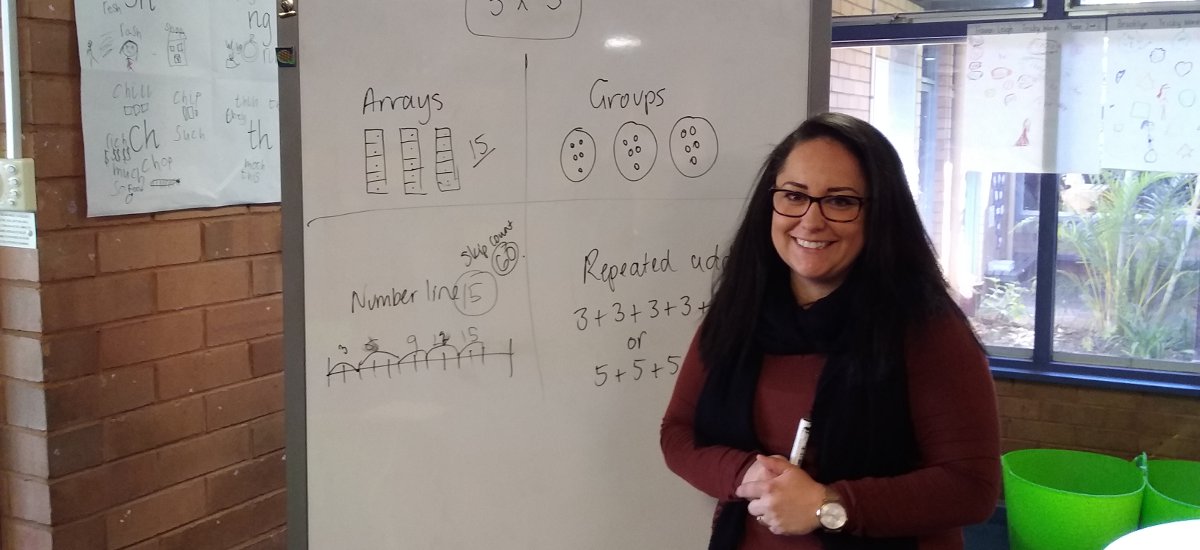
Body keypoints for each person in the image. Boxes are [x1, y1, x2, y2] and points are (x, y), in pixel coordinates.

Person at [660, 112, 1000, 550]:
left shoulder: (927, 327)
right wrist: (741, 472)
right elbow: (678, 433)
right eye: (794, 195)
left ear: (879, 214)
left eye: (840, 201)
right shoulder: (740, 313)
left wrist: (829, 505)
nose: (810, 220)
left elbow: (971, 488)